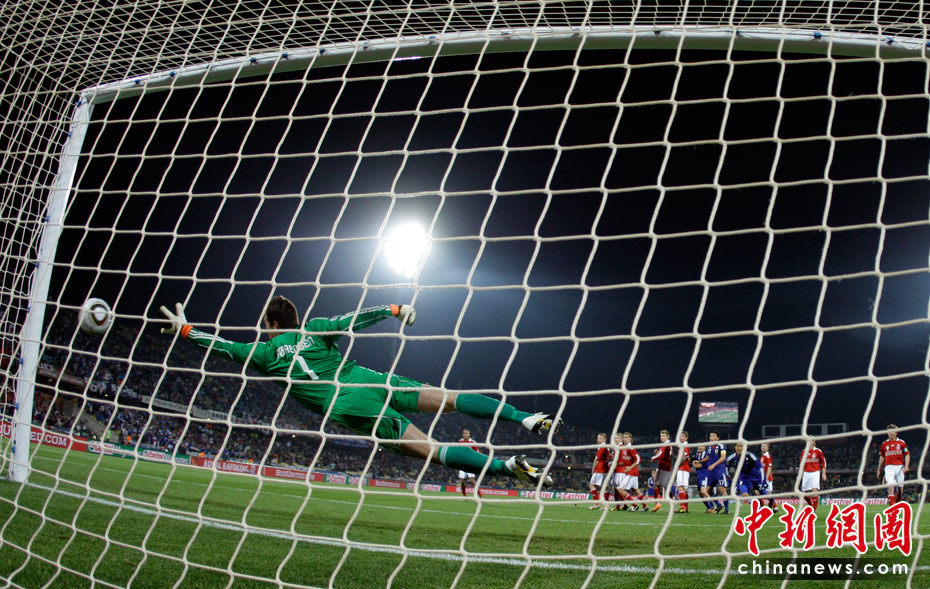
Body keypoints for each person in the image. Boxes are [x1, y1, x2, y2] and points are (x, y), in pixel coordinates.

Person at [159, 298, 560, 487]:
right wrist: (393, 309)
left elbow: (222, 346)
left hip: (350, 403)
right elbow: (352, 319)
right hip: (371, 378)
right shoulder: (315, 328)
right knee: (449, 399)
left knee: (432, 450)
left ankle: (506, 467)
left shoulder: (263, 353)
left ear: (271, 323)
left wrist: (185, 329)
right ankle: (525, 417)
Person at [877, 425, 909, 505]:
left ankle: (897, 503)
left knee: (900, 490)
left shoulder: (901, 442)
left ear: (896, 433)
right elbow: (882, 457)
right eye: (888, 432)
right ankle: (892, 507)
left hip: (899, 467)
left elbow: (907, 455)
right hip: (889, 468)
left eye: (892, 431)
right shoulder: (884, 444)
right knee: (890, 488)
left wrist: (906, 466)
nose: (890, 433)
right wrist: (879, 469)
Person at [706, 431, 728, 514]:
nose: (711, 437)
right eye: (710, 436)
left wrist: (713, 465)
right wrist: (700, 461)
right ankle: (719, 504)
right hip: (711, 471)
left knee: (722, 489)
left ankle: (727, 510)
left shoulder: (721, 446)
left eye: (713, 436)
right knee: (707, 491)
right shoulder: (708, 446)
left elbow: (723, 457)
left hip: (719, 470)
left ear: (718, 438)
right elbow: (708, 457)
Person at [650, 429, 673, 512]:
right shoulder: (666, 445)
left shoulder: (666, 444)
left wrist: (653, 457)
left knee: (662, 487)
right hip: (663, 467)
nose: (662, 437)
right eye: (661, 436)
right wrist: (657, 454)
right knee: (659, 486)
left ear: (668, 436)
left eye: (664, 436)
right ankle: (659, 503)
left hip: (664, 468)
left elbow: (662, 455)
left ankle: (660, 503)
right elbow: (663, 455)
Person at [800, 440, 826, 509]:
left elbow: (823, 462)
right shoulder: (803, 451)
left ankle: (813, 509)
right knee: (804, 492)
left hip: (815, 472)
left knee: (815, 490)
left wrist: (824, 473)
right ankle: (811, 505)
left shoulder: (818, 451)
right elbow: (801, 463)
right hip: (806, 472)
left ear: (814, 442)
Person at [457, 429, 482, 497]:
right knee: (462, 481)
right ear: (462, 434)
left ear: (469, 434)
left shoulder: (472, 442)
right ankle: (464, 494)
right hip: (462, 463)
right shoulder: (460, 441)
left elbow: (477, 452)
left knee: (472, 480)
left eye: (467, 433)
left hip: (470, 463)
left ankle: (479, 492)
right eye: (464, 433)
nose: (465, 435)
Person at [588, 433, 611, 509]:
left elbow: (597, 459)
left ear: (604, 439)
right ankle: (605, 505)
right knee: (604, 487)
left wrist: (593, 468)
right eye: (598, 438)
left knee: (591, 485)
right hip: (606, 468)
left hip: (600, 468)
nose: (599, 440)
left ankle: (596, 503)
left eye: (601, 438)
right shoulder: (607, 447)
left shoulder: (602, 447)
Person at [675, 431, 691, 513]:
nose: (681, 437)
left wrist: (677, 465)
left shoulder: (685, 445)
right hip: (683, 469)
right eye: (680, 436)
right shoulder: (682, 446)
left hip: (683, 469)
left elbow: (684, 457)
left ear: (686, 438)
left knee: (680, 487)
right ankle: (685, 508)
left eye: (683, 436)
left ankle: (682, 507)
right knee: (684, 489)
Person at [759, 442, 774, 506]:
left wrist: (766, 478)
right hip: (763, 477)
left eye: (765, 446)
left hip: (767, 478)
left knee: (767, 493)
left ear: (768, 448)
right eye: (762, 446)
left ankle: (773, 507)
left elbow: (769, 467)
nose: (763, 447)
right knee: (760, 493)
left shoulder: (767, 456)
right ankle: (773, 507)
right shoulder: (763, 456)